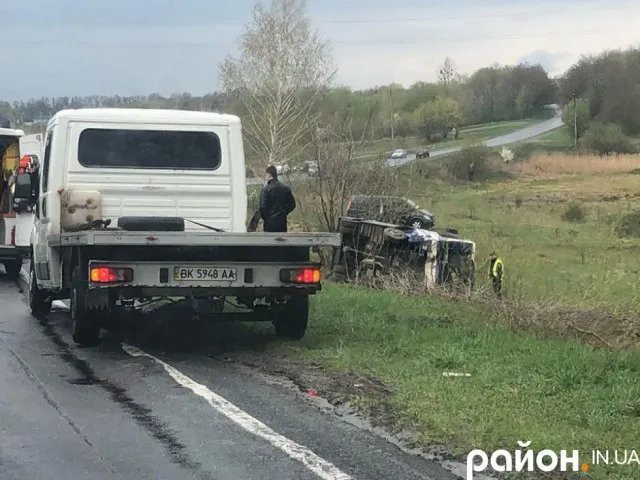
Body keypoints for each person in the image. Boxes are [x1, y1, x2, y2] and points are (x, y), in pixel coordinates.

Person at [259, 165, 296, 232]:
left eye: (266, 175)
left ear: (269, 175)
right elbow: (292, 204)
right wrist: (284, 213)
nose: (265, 177)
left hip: (269, 224)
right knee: (281, 241)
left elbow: (262, 207)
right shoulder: (285, 189)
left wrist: (267, 217)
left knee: (270, 241)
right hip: (282, 223)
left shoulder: (265, 190)